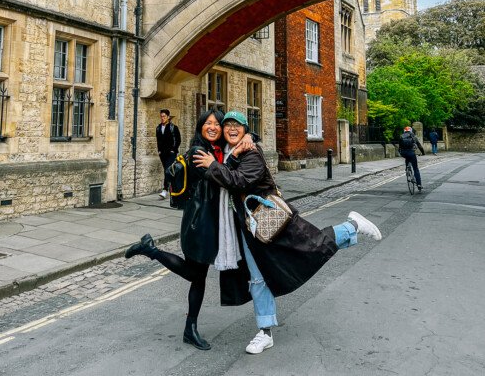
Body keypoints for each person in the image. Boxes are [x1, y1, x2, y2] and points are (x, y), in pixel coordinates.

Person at [193, 111, 383, 355]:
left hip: (271, 220)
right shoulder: (235, 150)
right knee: (258, 277)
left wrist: (213, 166)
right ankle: (265, 332)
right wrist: (225, 158)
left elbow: (238, 181)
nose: (230, 129)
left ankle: (352, 226)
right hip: (252, 227)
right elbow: (226, 166)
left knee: (310, 248)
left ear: (244, 129)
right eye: (227, 125)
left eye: (237, 126)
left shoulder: (251, 153)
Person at [126, 109, 226, 350]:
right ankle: (151, 250)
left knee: (197, 276)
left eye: (217, 124)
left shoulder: (216, 151)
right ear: (200, 127)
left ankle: (189, 328)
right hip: (198, 222)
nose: (212, 127)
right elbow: (223, 177)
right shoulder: (198, 152)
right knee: (196, 275)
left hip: (210, 221)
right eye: (207, 123)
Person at [156, 108, 181, 199]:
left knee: (167, 170)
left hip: (171, 153)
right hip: (162, 153)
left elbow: (177, 140)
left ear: (168, 117)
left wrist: (173, 149)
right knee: (168, 171)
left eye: (164, 116)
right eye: (161, 116)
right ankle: (174, 187)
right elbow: (158, 141)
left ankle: (164, 190)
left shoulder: (173, 127)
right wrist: (159, 151)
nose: (162, 118)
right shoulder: (158, 128)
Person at [398, 125, 425, 190]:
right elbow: (420, 146)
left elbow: (399, 147)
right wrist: (423, 153)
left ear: (404, 131)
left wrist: (400, 153)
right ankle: (419, 184)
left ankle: (407, 168)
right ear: (411, 131)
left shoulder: (401, 136)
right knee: (415, 169)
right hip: (411, 152)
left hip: (403, 153)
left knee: (407, 157)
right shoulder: (413, 136)